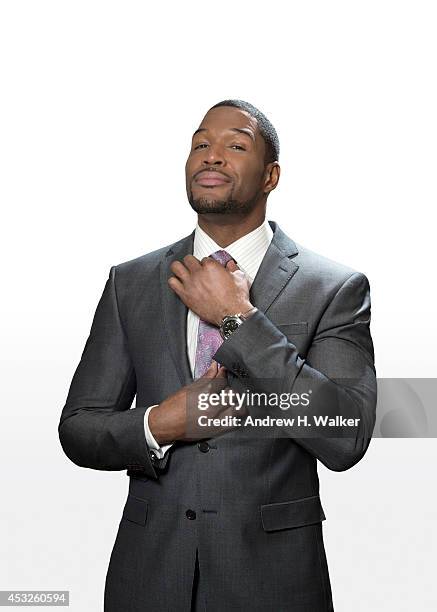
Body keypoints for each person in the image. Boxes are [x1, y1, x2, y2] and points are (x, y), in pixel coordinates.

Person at [58, 99, 377, 611]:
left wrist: (239, 320)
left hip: (275, 584)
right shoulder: (131, 282)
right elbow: (78, 428)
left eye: (235, 145)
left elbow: (345, 434)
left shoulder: (334, 288)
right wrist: (160, 423)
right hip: (148, 578)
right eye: (200, 144)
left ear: (271, 176)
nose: (211, 156)